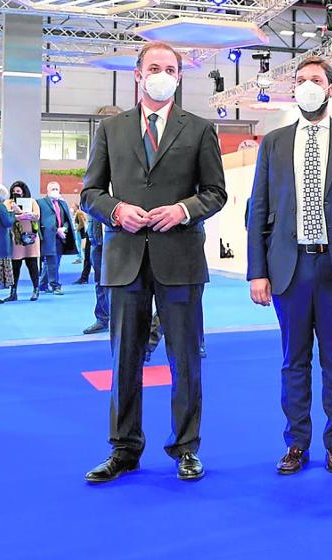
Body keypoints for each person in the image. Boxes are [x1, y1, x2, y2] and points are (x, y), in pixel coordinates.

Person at [81, 41, 227, 485]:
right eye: (154, 67)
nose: (162, 74)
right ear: (138, 75)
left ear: (179, 78)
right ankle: (123, 449)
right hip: (125, 259)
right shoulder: (111, 130)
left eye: (170, 68)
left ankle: (185, 448)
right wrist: (115, 210)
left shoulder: (200, 130)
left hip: (180, 258)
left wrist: (182, 210)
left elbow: (215, 192)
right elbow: (89, 193)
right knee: (124, 359)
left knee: (185, 360)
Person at [247, 56, 332, 475]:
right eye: (301, 80)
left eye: (316, 80)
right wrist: (257, 270)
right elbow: (260, 208)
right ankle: (296, 443)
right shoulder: (273, 142)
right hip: (288, 268)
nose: (308, 85)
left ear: (331, 88)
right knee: (293, 361)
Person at [38, 181, 78, 294]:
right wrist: (56, 230)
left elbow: (66, 219)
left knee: (54, 262)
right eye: (53, 189)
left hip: (61, 237)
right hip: (48, 237)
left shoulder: (62, 203)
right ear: (47, 190)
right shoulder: (41, 203)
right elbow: (41, 221)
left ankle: (42, 284)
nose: (55, 191)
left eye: (57, 189)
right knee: (51, 261)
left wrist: (63, 229)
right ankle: (55, 285)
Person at [6, 180, 42, 301]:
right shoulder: (8, 202)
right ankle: (13, 292)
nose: (15, 193)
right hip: (15, 239)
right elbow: (7, 217)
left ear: (23, 192)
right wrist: (18, 214)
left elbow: (36, 216)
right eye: (13, 191)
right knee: (15, 266)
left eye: (18, 191)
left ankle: (36, 289)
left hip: (30, 238)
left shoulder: (32, 201)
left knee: (32, 265)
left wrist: (21, 213)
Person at [82, 217, 109, 335]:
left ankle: (126, 321)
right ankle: (102, 319)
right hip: (97, 242)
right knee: (99, 282)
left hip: (120, 242)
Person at [76, 209, 93, 285]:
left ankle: (84, 277)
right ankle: (84, 277)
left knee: (89, 257)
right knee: (87, 257)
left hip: (93, 232)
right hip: (90, 232)